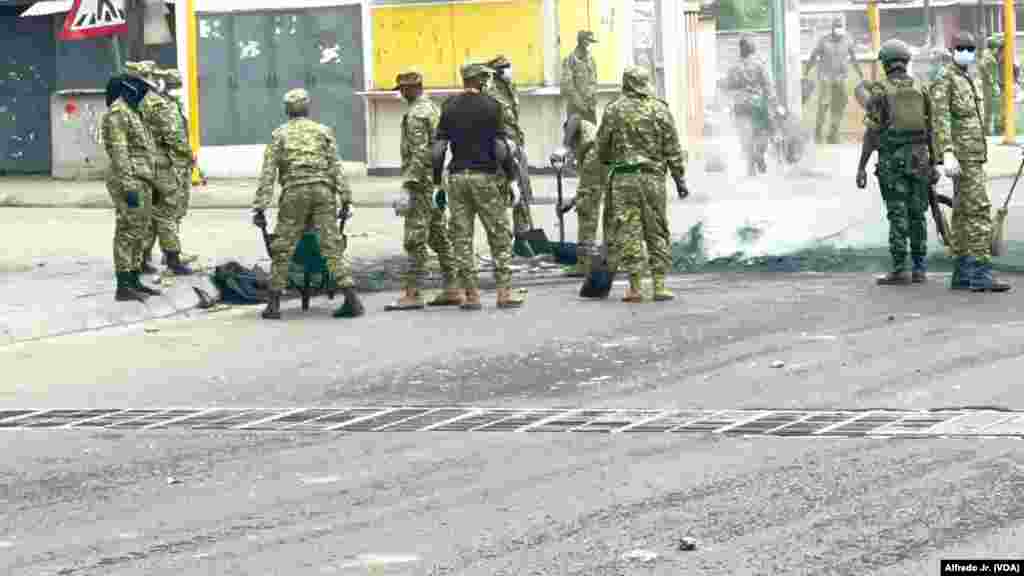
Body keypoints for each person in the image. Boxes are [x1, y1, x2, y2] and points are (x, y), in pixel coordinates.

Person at [252, 88, 366, 319]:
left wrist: (260, 206)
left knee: (283, 247)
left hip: (294, 193)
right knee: (332, 246)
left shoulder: (279, 134)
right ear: (308, 107)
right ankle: (351, 299)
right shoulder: (323, 131)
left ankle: (273, 304)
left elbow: (268, 172)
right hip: (323, 192)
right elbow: (336, 166)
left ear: (286, 110)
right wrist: (346, 198)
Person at [432, 62, 524, 309]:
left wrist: (436, 183)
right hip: (486, 178)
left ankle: (471, 295)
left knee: (461, 238)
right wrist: (513, 178)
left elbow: (439, 148)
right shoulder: (492, 106)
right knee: (499, 234)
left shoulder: (448, 106)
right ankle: (504, 293)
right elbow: (501, 147)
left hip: (457, 178)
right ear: (480, 81)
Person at [595, 66, 688, 303]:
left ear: (625, 83)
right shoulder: (659, 109)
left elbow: (602, 148)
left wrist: (611, 160)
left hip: (623, 179)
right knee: (656, 228)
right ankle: (659, 285)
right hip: (652, 179)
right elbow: (673, 149)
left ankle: (635, 288)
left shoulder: (613, 110)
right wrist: (679, 180)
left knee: (629, 230)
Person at [932, 31, 1011, 292]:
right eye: (961, 47)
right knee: (978, 210)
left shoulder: (967, 78)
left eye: (970, 48)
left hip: (973, 154)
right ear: (952, 49)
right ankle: (981, 273)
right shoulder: (946, 78)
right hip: (962, 157)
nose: (966, 52)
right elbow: (940, 117)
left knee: (964, 213)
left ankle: (963, 271)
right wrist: (947, 152)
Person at [856, 39, 935, 285]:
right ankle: (920, 268)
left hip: (894, 163)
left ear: (886, 63)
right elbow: (931, 129)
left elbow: (872, 134)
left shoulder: (881, 92)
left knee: (898, 215)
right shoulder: (922, 89)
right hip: (920, 161)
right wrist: (934, 163)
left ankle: (900, 269)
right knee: (918, 214)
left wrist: (861, 166)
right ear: (906, 61)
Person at [387, 69, 461, 310]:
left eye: (402, 89)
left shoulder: (417, 114)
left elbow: (421, 153)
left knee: (415, 238)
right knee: (439, 236)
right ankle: (452, 287)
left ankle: (412, 292)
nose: (401, 94)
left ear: (411, 88)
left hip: (420, 183)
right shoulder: (432, 108)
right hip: (435, 180)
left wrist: (408, 184)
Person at [124, 61, 192, 276]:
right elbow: (175, 138)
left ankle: (141, 259)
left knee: (146, 214)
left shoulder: (127, 103)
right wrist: (188, 158)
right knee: (166, 212)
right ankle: (172, 259)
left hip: (137, 165)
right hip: (160, 165)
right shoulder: (158, 103)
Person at [100, 74, 163, 302]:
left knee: (141, 229)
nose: (145, 95)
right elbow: (120, 153)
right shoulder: (117, 113)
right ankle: (123, 284)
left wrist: (152, 182)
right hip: (128, 179)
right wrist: (128, 186)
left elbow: (144, 151)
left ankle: (134, 279)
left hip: (142, 178)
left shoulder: (133, 112)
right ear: (128, 90)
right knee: (128, 230)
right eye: (142, 90)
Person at [485, 55, 536, 253]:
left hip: (517, 145)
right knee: (502, 195)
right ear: (496, 72)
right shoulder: (489, 93)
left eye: (509, 66)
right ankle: (501, 244)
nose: (509, 70)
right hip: (500, 150)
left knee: (522, 192)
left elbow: (513, 119)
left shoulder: (511, 89)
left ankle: (522, 239)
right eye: (505, 67)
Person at [552, 114, 610, 282]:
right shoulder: (594, 144)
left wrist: (564, 146)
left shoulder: (588, 143)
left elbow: (575, 119)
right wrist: (572, 201)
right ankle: (611, 258)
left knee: (587, 211)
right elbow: (590, 189)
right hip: (607, 161)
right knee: (601, 208)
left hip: (597, 157)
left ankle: (585, 263)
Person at [153, 68, 197, 251]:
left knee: (172, 210)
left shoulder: (172, 104)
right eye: (173, 85)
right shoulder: (165, 106)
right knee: (169, 210)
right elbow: (175, 137)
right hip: (171, 164)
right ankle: (170, 254)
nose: (176, 89)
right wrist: (188, 154)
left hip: (175, 163)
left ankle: (167, 251)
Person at [723, 34, 777, 176]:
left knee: (744, 137)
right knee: (766, 131)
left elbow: (727, 86)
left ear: (740, 49)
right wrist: (772, 100)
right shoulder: (760, 64)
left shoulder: (734, 66)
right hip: (757, 104)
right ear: (753, 48)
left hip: (740, 104)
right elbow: (768, 84)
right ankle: (759, 153)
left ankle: (750, 166)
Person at [805, 17, 865, 144]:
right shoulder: (824, 41)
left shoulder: (848, 40)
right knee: (824, 105)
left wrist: (860, 73)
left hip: (841, 78)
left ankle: (833, 134)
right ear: (832, 28)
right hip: (826, 77)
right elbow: (813, 56)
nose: (839, 29)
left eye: (840, 26)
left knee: (840, 105)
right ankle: (818, 133)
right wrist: (806, 72)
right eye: (836, 26)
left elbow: (854, 58)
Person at [562, 30, 599, 125]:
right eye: (588, 41)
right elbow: (567, 86)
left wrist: (589, 97)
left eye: (590, 42)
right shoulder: (570, 59)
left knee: (591, 135)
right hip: (575, 108)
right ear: (582, 41)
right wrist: (580, 103)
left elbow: (594, 81)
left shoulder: (591, 59)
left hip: (590, 106)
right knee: (573, 136)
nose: (589, 44)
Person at [980, 35, 1002, 136]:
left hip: (989, 86)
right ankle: (989, 130)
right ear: (993, 47)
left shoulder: (987, 55)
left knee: (989, 108)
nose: (997, 50)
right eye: (997, 48)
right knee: (990, 108)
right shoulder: (988, 57)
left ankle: (988, 129)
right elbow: (984, 66)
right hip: (989, 86)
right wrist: (991, 80)